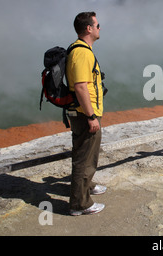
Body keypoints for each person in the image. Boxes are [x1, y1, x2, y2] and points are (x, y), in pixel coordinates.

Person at [66, 12, 106, 216]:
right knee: (84, 158)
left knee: (87, 155)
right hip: (84, 114)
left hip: (84, 112)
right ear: (89, 28)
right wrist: (91, 117)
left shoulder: (82, 50)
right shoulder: (82, 52)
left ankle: (87, 187)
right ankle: (80, 205)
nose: (100, 28)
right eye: (98, 25)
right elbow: (81, 87)